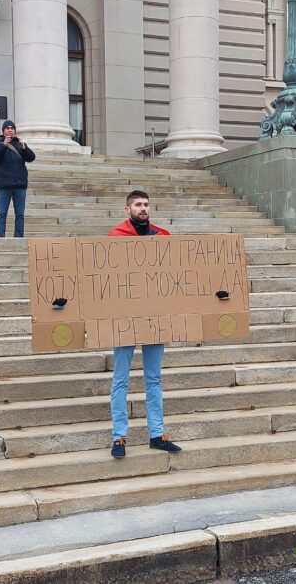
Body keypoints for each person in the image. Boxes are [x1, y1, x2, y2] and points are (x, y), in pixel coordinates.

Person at [107, 190, 181, 458]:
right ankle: (119, 438)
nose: (143, 208)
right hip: (125, 316)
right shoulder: (115, 238)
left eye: (146, 204)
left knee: (154, 378)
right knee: (120, 379)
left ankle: (157, 434)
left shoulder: (162, 238)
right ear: (127, 209)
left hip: (154, 316)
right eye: (138, 204)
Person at [0, 120, 35, 238]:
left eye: (12, 128)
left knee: (20, 214)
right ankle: (0, 238)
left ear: (15, 131)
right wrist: (4, 145)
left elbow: (31, 158)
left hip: (19, 185)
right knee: (2, 213)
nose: (10, 130)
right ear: (3, 131)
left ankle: (19, 238)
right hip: (4, 185)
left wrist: (24, 147)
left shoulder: (20, 145)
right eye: (7, 128)